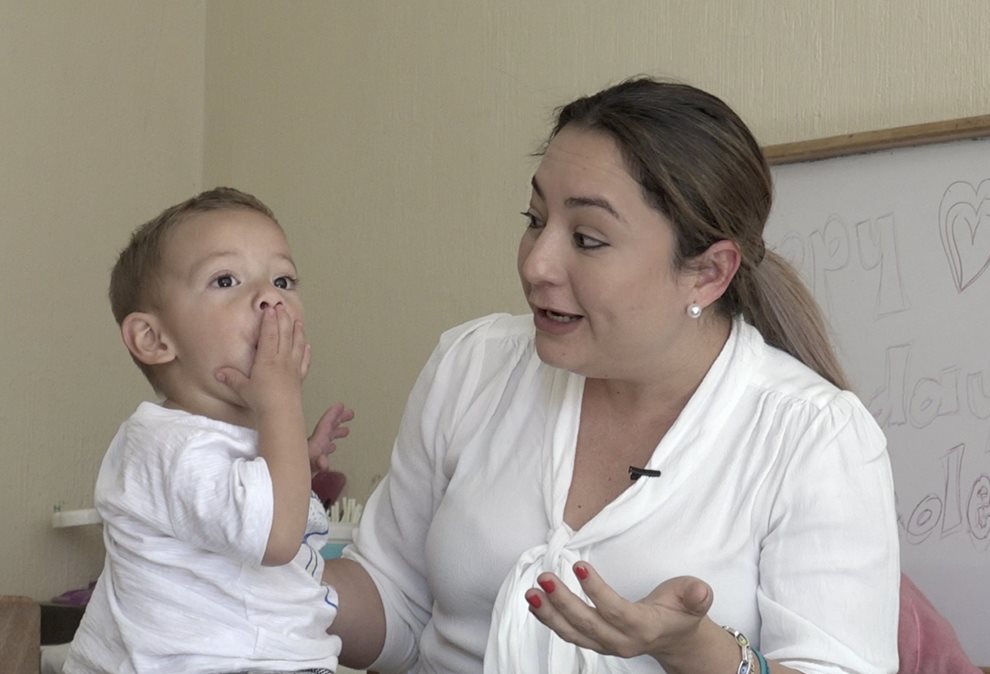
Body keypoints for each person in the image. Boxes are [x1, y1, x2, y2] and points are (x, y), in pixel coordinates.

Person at [327, 77, 899, 674]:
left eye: (587, 239)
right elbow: (395, 601)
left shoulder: (814, 437)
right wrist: (268, 564)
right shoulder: (470, 365)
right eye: (534, 219)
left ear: (707, 273)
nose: (537, 263)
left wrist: (695, 650)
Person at [65, 187, 354, 674]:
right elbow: (276, 536)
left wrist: (294, 459)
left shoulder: (215, 441)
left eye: (284, 279)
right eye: (226, 280)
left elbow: (235, 498)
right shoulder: (165, 444)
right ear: (153, 339)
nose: (270, 297)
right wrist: (283, 404)